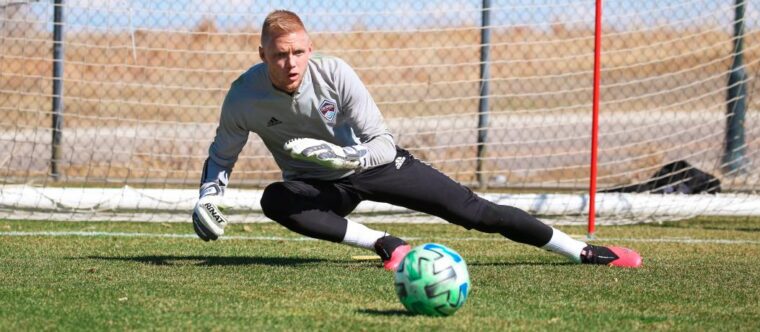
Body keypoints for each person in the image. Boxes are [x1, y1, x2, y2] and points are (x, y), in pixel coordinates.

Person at [192, 10, 642, 270]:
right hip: (320, 187)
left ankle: (582, 250)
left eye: (299, 52)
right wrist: (206, 199)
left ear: (310, 48)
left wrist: (343, 155)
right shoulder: (243, 96)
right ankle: (386, 244)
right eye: (279, 54)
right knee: (275, 200)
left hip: (375, 165)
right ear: (262, 55)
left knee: (474, 212)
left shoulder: (335, 73)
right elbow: (221, 157)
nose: (291, 63)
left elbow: (382, 142)